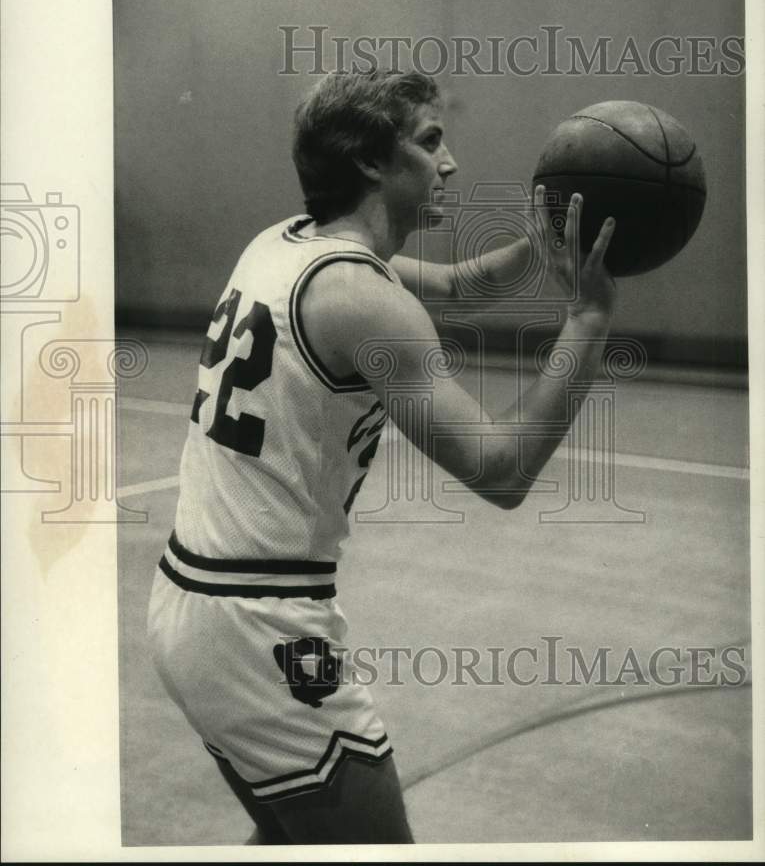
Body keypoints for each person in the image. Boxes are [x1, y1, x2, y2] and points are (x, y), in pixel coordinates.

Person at [147, 69, 616, 844]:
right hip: (262, 628)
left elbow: (462, 288)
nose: (450, 161)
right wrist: (590, 318)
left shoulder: (285, 243)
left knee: (292, 838)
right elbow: (500, 472)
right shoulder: (359, 299)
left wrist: (539, 247)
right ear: (371, 161)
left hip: (191, 603)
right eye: (430, 140)